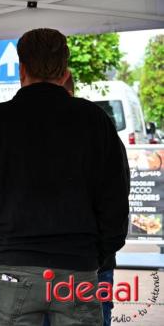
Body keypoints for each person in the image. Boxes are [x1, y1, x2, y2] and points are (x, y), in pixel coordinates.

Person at [0, 28, 129, 326]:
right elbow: (115, 203)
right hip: (78, 267)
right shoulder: (94, 121)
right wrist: (94, 257)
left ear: (22, 69)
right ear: (65, 72)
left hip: (15, 265)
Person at [41, 73, 122, 326]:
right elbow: (118, 199)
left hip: (68, 263)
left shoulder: (93, 128)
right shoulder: (100, 127)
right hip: (89, 260)